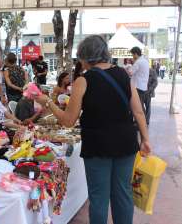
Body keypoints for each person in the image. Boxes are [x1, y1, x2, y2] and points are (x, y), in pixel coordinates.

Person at [34, 35, 151, 224]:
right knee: (123, 194)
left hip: (98, 146)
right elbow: (138, 111)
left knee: (99, 199)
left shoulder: (83, 81)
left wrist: (47, 101)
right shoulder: (123, 75)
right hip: (126, 143)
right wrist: (145, 139)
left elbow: (68, 121)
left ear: (85, 57)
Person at [130, 46, 149, 111]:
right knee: (140, 105)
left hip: (138, 87)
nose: (132, 56)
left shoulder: (138, 62)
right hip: (143, 87)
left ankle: (141, 121)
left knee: (138, 106)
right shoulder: (145, 61)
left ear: (135, 54)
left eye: (132, 54)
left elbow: (130, 73)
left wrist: (125, 69)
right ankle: (143, 120)